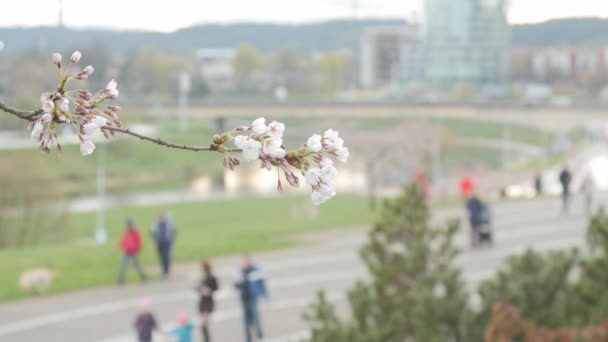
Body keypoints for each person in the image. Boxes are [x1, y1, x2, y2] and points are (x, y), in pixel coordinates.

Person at [234, 254, 269, 342]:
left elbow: (262, 284)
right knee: (246, 322)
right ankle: (248, 339)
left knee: (256, 320)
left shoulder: (256, 270)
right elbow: (235, 285)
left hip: (253, 298)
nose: (246, 263)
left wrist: (265, 298)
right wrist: (239, 280)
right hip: (244, 299)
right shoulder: (240, 271)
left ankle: (260, 337)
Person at [118, 219, 147, 285]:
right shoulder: (126, 232)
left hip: (133, 251)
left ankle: (143, 277)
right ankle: (121, 280)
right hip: (126, 251)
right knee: (122, 266)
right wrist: (120, 246)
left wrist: (138, 249)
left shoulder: (135, 232)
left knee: (137, 266)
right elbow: (124, 240)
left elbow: (139, 241)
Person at [197, 260, 219, 342]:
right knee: (203, 325)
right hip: (203, 303)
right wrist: (198, 288)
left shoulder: (211, 277)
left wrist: (208, 290)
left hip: (207, 303)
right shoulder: (204, 277)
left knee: (204, 324)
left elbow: (216, 288)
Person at [151, 213, 176, 279]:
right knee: (162, 258)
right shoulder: (155, 225)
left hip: (166, 243)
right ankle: (164, 271)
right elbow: (152, 234)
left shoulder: (168, 225)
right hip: (159, 244)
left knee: (166, 257)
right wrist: (156, 241)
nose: (160, 219)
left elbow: (173, 232)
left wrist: (170, 240)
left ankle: (166, 272)